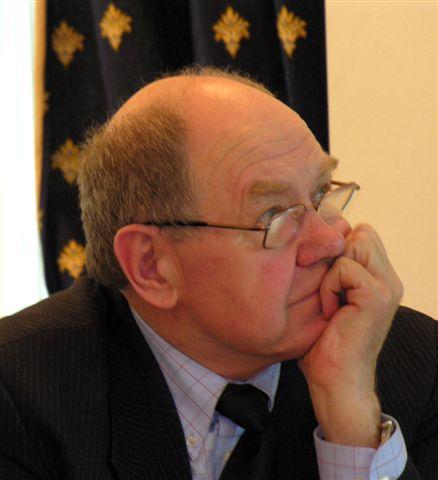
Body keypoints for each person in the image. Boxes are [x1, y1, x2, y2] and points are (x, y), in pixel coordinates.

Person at [0, 67, 437, 480]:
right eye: (274, 215)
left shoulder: (413, 363)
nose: (331, 241)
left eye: (322, 192)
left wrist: (354, 428)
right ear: (152, 266)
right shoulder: (20, 396)